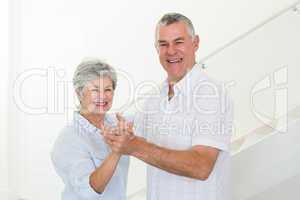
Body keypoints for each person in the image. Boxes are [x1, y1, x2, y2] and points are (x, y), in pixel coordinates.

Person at [102, 13, 233, 200]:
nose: (171, 51)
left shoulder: (211, 95)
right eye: (163, 44)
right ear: (157, 49)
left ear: (195, 43)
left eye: (178, 42)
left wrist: (135, 147)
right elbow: (127, 128)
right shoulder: (155, 98)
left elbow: (201, 166)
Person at [51, 59, 131, 200]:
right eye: (95, 90)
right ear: (79, 93)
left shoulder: (117, 123)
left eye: (108, 89)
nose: (103, 96)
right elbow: (89, 191)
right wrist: (117, 150)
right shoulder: (69, 139)